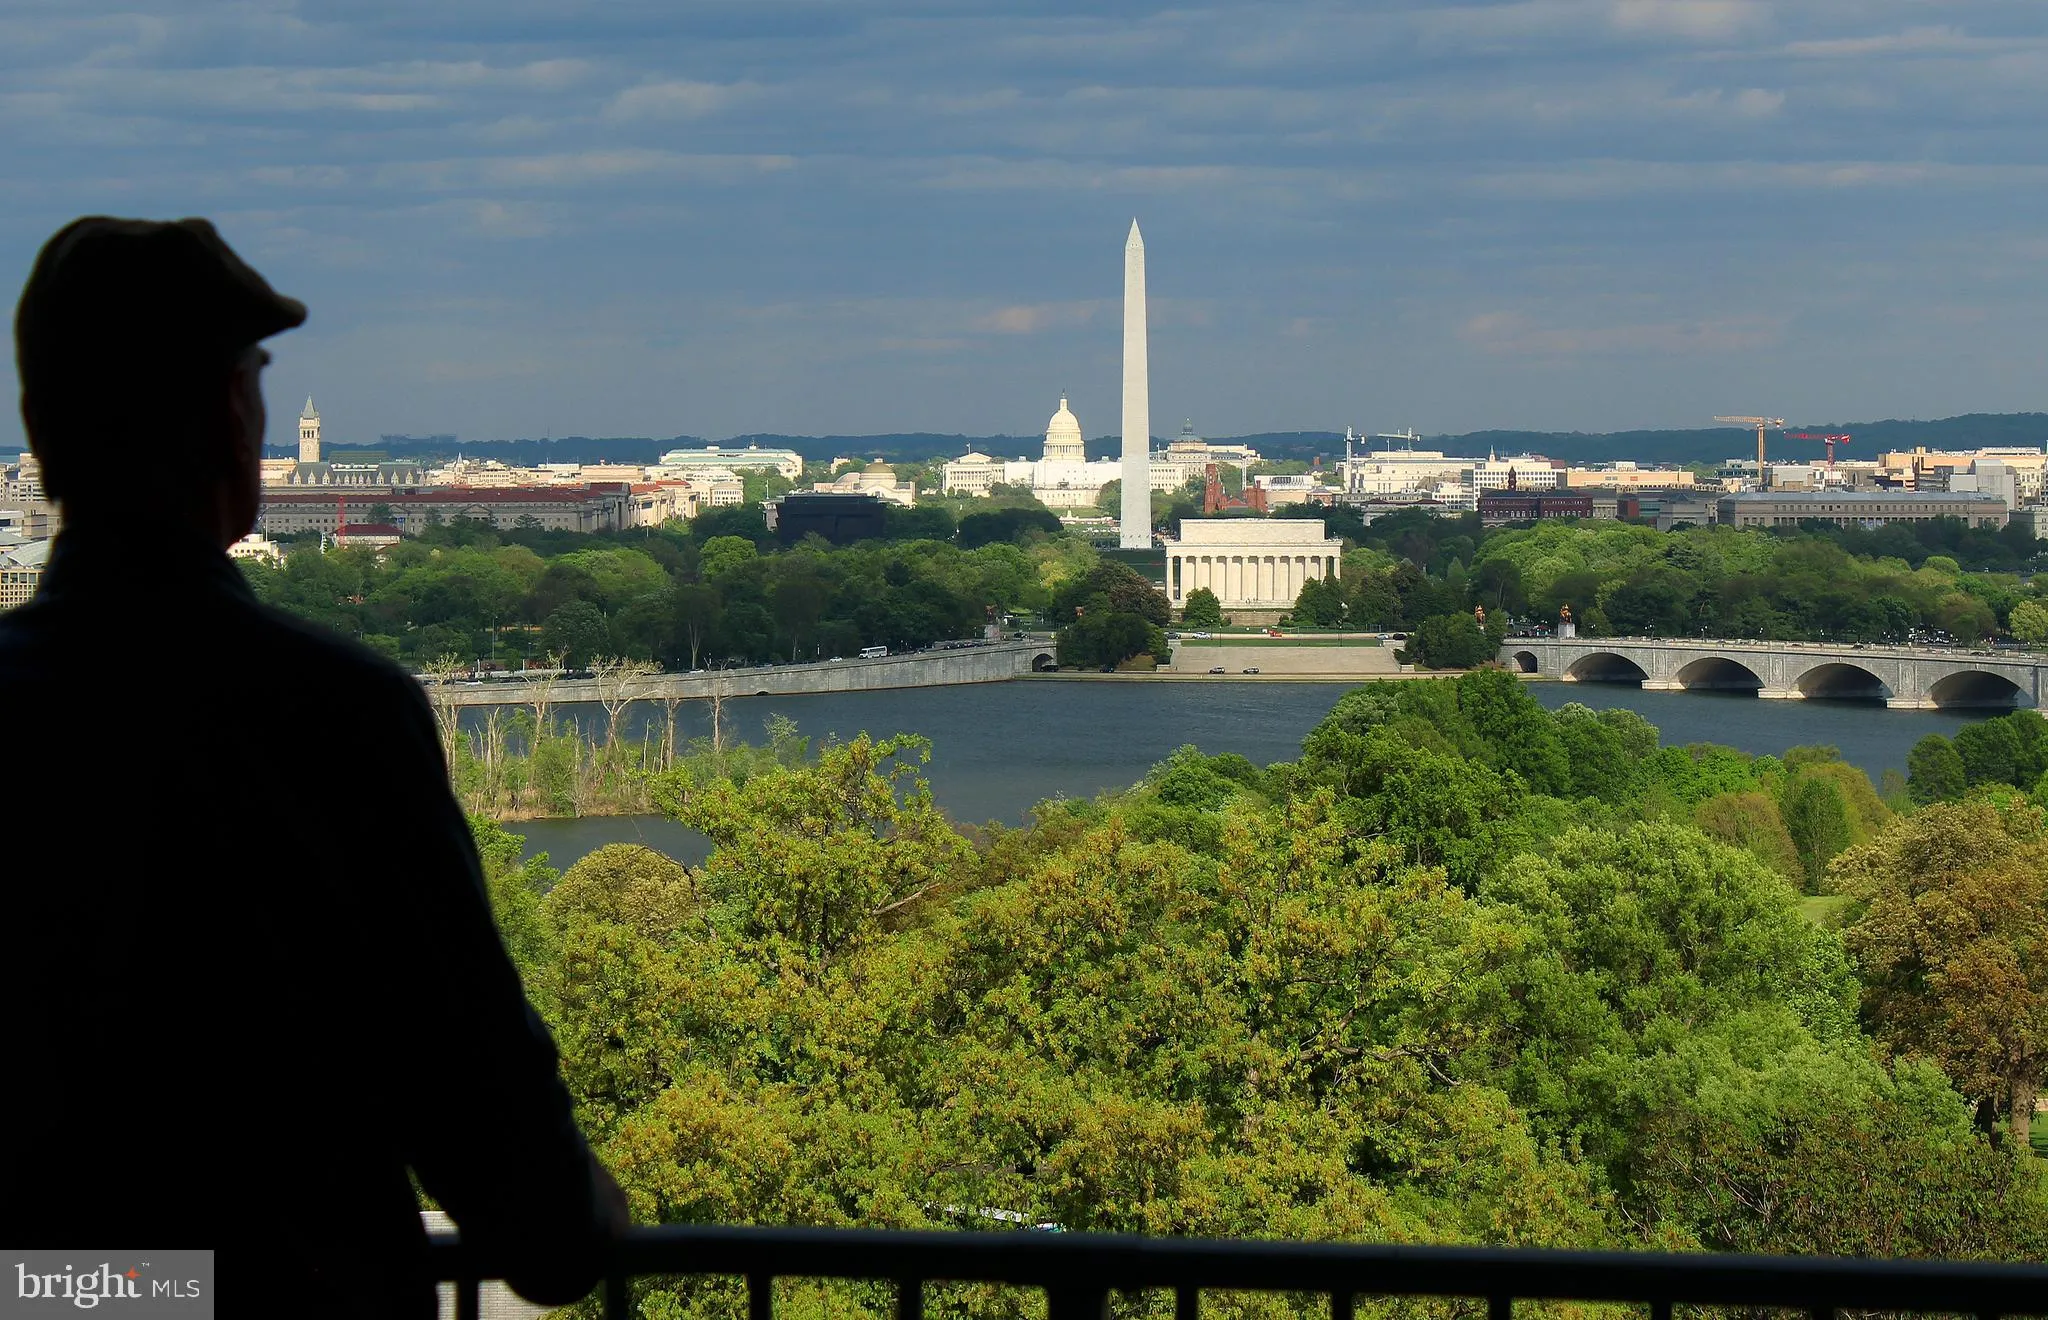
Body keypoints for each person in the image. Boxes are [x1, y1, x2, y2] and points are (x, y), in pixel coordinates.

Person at [1, 218, 625, 1315]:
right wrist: (590, 1223)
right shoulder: (334, 714)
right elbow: (489, 1124)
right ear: (232, 415)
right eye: (250, 377)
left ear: (38, 427)